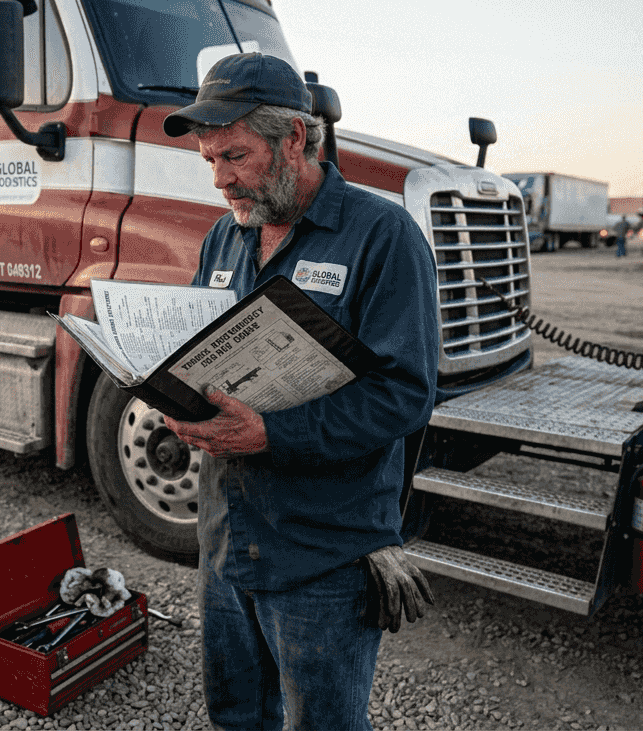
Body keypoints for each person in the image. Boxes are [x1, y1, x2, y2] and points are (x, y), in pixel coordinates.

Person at [159, 53, 438, 731]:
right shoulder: (224, 239)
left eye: (236, 156)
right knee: (236, 716)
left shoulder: (382, 236)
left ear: (293, 140)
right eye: (210, 161)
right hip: (226, 539)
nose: (222, 180)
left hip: (324, 554)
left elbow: (404, 394)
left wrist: (273, 434)